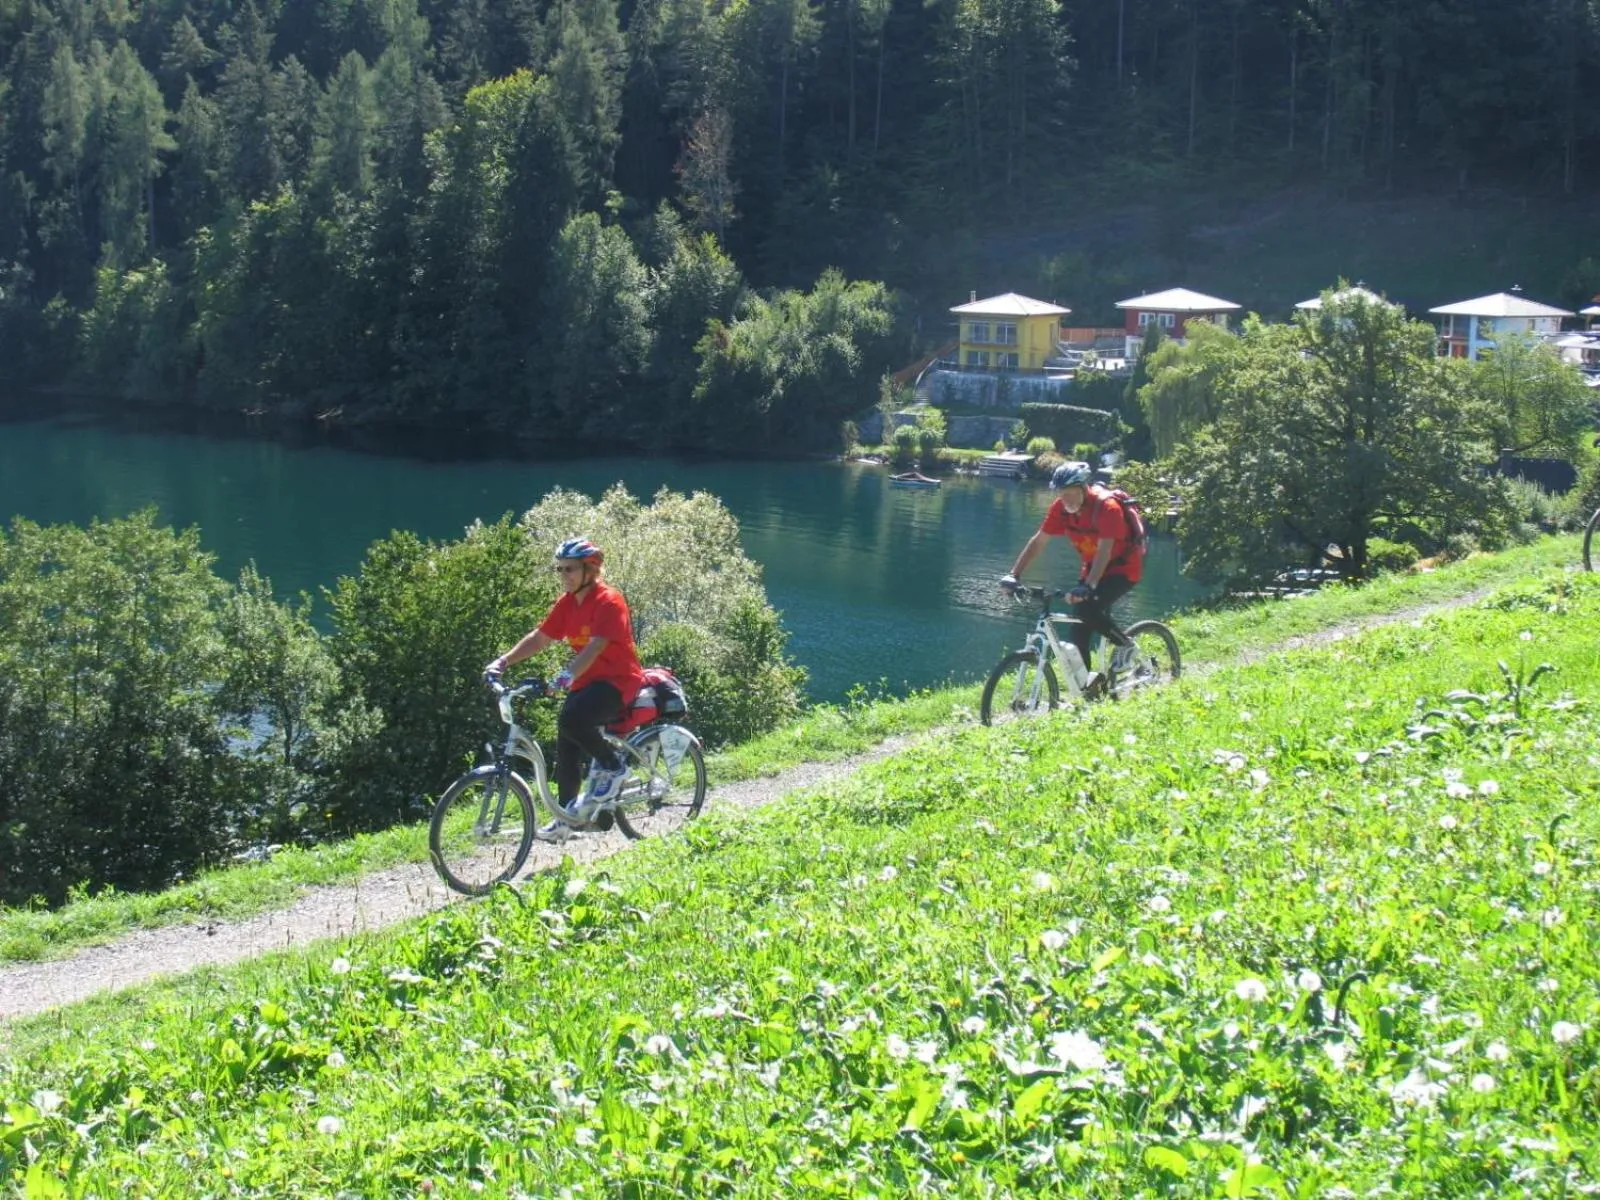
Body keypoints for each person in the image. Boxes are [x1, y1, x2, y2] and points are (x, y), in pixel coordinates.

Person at [484, 537, 646, 838]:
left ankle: (613, 766)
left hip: (618, 682)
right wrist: (502, 662)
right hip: (587, 682)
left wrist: (565, 676)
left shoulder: (610, 601)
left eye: (569, 569)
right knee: (566, 744)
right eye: (558, 569)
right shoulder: (568, 603)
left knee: (572, 720)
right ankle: (567, 817)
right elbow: (541, 637)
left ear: (590, 569)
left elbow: (597, 646)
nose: (563, 576)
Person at [1000, 462, 1145, 696]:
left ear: (1083, 488)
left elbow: (1105, 551)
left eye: (1069, 493)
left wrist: (1089, 585)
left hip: (1122, 569)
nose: (1064, 499)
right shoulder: (1061, 509)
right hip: (1092, 568)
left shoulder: (1107, 507)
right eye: (1060, 493)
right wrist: (1014, 574)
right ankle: (1088, 690)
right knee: (1079, 629)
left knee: (1086, 610)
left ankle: (1126, 645)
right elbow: (1039, 541)